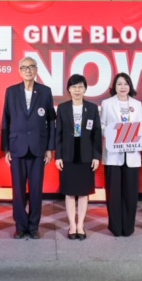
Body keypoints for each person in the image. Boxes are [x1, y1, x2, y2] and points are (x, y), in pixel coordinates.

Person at [2, 56, 56, 240]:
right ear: (19, 71)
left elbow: (51, 121)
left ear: (36, 70)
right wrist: (6, 149)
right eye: (24, 67)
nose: (28, 70)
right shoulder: (11, 92)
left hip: (38, 147)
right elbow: (6, 120)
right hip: (17, 147)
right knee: (18, 190)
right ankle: (20, 226)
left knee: (36, 190)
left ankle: (33, 226)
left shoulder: (45, 91)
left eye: (31, 67)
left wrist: (49, 148)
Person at [55, 74, 102, 240]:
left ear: (85, 89)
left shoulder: (92, 108)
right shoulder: (62, 108)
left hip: (86, 156)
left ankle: (80, 225)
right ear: (69, 89)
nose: (77, 90)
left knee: (83, 193)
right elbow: (58, 133)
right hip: (68, 155)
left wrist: (96, 156)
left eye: (80, 87)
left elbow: (97, 133)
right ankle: (72, 225)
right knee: (69, 193)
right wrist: (58, 156)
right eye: (74, 87)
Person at [100, 73, 142, 237]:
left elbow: (140, 127)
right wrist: (115, 132)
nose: (123, 87)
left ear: (130, 86)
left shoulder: (137, 104)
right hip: (113, 154)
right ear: (114, 87)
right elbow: (101, 125)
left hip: (132, 154)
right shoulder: (107, 103)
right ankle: (116, 227)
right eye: (119, 84)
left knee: (130, 193)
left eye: (126, 84)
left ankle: (128, 227)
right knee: (114, 193)